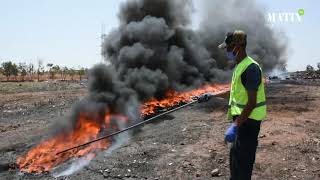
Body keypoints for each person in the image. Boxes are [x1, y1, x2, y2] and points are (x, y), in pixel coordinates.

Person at [219, 30, 267, 180]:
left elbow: (251, 102)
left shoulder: (250, 68)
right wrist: (210, 96)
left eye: (227, 48)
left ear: (236, 47)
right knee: (235, 162)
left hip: (248, 124)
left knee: (243, 167)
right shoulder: (240, 66)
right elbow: (234, 93)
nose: (226, 51)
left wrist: (235, 126)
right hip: (241, 122)